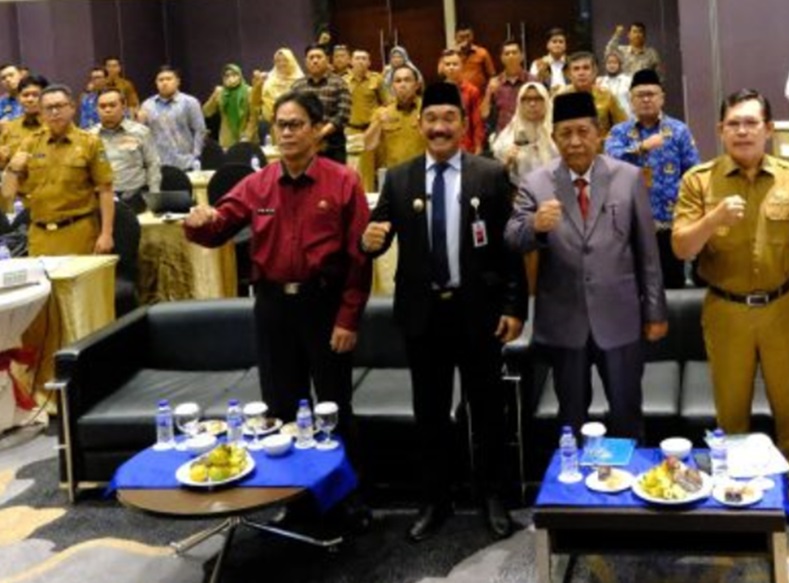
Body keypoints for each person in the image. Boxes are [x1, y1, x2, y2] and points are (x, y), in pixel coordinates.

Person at [184, 89, 371, 525]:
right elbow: (219, 228)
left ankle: (347, 500)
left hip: (323, 307)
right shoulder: (258, 182)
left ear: (318, 129)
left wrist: (348, 317)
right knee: (282, 410)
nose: (285, 133)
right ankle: (296, 500)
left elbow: (359, 259)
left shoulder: (343, 180)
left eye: (295, 125)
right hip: (272, 311)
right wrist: (199, 224)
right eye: (279, 125)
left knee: (334, 411)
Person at [361, 81, 527, 543]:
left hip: (479, 313)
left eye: (448, 119)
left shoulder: (490, 176)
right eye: (431, 119)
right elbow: (378, 236)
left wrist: (515, 306)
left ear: (462, 124)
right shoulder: (398, 178)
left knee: (487, 411)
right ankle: (435, 500)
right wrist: (366, 241)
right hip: (422, 317)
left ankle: (491, 497)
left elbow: (511, 249)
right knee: (429, 413)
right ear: (420, 125)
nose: (439, 127)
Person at [672, 88, 789, 542]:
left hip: (783, 306)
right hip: (726, 309)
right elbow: (682, 246)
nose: (742, 131)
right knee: (732, 411)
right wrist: (711, 220)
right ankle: (738, 497)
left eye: (751, 122)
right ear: (720, 130)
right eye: (733, 123)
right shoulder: (699, 181)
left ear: (767, 129)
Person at [505, 92, 667, 440]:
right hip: (565, 320)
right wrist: (535, 224)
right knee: (572, 419)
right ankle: (575, 491)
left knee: (626, 413)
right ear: (554, 137)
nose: (575, 141)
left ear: (598, 134)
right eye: (566, 133)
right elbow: (512, 238)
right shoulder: (536, 183)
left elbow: (647, 254)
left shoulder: (628, 177)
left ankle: (630, 488)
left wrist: (655, 312)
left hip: (620, 317)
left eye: (583, 131)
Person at [605, 69, 701, 289]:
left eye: (651, 94)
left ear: (662, 98)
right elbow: (609, 160)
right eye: (640, 95)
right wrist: (640, 148)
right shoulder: (619, 132)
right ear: (631, 100)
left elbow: (693, 172)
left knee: (672, 284)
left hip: (670, 222)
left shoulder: (679, 131)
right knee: (633, 287)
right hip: (629, 224)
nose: (646, 99)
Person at [2, 84, 115, 256]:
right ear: (41, 112)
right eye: (48, 108)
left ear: (72, 108)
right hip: (40, 236)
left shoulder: (90, 143)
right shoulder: (30, 143)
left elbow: (106, 190)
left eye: (59, 106)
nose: (54, 112)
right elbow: (8, 195)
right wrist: (12, 170)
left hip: (79, 232)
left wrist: (106, 234)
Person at [92, 87, 161, 213]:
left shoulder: (141, 132)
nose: (107, 110)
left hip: (134, 197)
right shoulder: (89, 137)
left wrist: (154, 196)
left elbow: (152, 164)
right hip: (100, 199)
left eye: (112, 105)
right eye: (102, 106)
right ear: (97, 109)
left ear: (123, 106)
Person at [361, 64, 426, 191]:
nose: (402, 85)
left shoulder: (428, 110)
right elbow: (367, 145)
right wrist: (378, 123)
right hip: (395, 178)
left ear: (416, 85)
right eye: (398, 81)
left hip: (424, 175)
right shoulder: (382, 112)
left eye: (407, 80)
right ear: (392, 87)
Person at [292, 44, 352, 163]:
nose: (315, 61)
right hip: (304, 143)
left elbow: (343, 115)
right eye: (311, 57)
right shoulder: (297, 86)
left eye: (319, 57)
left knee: (335, 180)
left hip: (333, 143)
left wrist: (321, 133)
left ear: (327, 60)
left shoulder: (339, 84)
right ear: (305, 61)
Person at [491, 81, 558, 186]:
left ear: (546, 101)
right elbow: (496, 174)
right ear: (519, 103)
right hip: (521, 193)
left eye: (538, 99)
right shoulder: (509, 136)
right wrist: (507, 162)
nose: (532, 104)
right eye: (526, 99)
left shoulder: (558, 131)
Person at [141, 65, 206, 170]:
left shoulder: (190, 102)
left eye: (169, 79)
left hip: (185, 162)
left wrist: (196, 155)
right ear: (156, 83)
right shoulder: (147, 105)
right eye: (160, 80)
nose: (164, 83)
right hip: (158, 163)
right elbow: (143, 134)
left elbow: (200, 130)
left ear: (177, 81)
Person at [554, 52, 628, 138]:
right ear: (569, 74)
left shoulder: (606, 96)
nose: (581, 73)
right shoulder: (561, 98)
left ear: (594, 72)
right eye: (576, 69)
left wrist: (608, 141)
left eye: (586, 68)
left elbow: (623, 126)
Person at [483, 39, 534, 140]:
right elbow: (484, 114)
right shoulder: (495, 83)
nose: (511, 56)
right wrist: (489, 93)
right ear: (502, 58)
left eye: (514, 53)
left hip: (529, 136)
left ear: (522, 56)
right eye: (507, 53)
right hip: (503, 137)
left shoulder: (533, 81)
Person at [437, 50, 485, 154]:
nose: (451, 67)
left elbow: (477, 121)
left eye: (455, 64)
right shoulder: (437, 91)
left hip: (466, 146)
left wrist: (478, 145)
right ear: (442, 67)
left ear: (462, 66)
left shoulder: (472, 91)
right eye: (447, 64)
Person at [251, 47, 304, 138]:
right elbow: (255, 102)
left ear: (292, 61)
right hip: (271, 126)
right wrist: (258, 86)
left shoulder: (300, 80)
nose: (281, 64)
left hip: (294, 124)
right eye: (278, 61)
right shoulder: (268, 79)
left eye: (285, 60)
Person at [202, 64, 255, 148]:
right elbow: (206, 112)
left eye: (234, 75)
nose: (231, 78)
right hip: (226, 139)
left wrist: (247, 136)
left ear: (240, 75)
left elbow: (253, 117)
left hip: (245, 138)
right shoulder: (220, 92)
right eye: (227, 75)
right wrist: (214, 96)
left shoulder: (249, 91)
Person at [0, 75, 47, 170]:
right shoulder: (9, 127)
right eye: (25, 95)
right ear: (18, 98)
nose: (30, 99)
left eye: (35, 95)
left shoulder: (55, 125)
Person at [345, 49, 390, 139]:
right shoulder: (343, 81)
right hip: (351, 129)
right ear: (351, 62)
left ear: (369, 62)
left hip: (373, 128)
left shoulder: (377, 79)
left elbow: (387, 103)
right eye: (357, 58)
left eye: (364, 59)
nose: (360, 61)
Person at [453, 23, 497, 95]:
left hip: (479, 97)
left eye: (468, 36)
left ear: (472, 36)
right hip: (456, 96)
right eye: (461, 37)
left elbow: (492, 76)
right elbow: (441, 73)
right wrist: (455, 52)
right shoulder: (451, 55)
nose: (465, 40)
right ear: (455, 37)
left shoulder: (482, 53)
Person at [596, 51, 632, 116]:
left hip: (625, 117)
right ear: (605, 65)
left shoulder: (628, 81)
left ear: (620, 64)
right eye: (609, 62)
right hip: (606, 118)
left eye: (615, 62)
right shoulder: (599, 81)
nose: (612, 65)